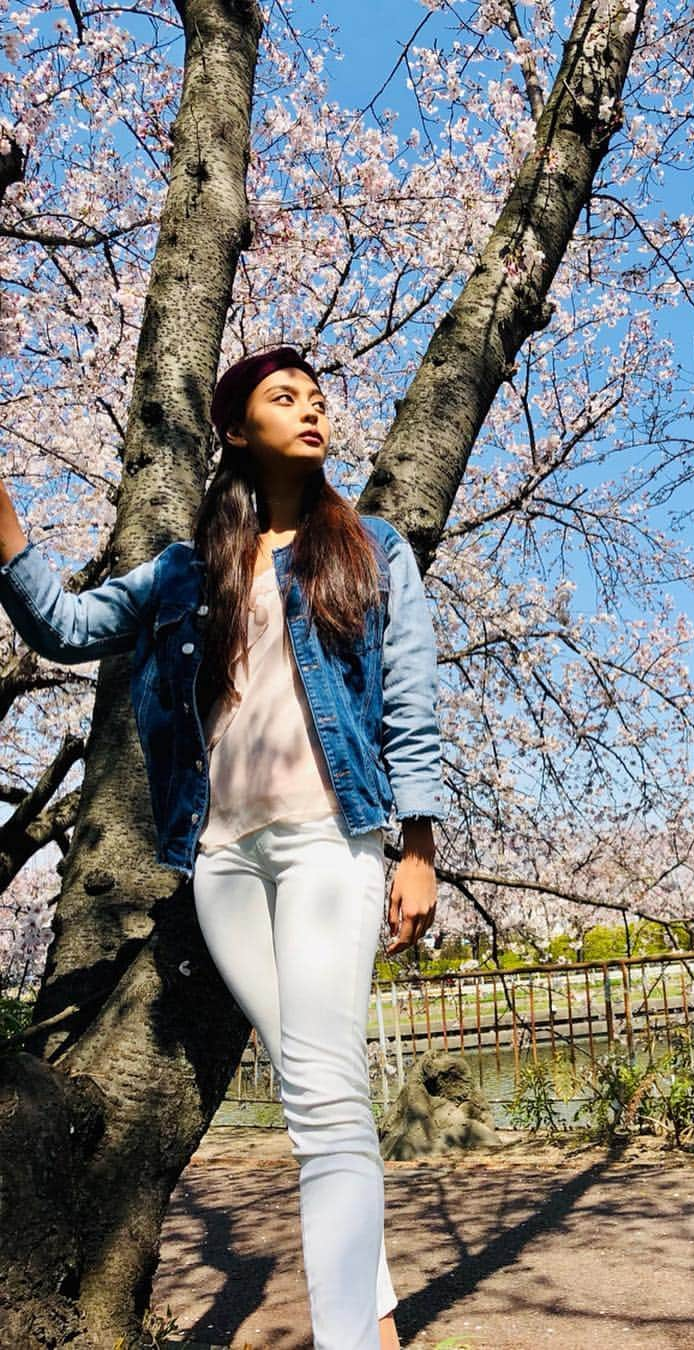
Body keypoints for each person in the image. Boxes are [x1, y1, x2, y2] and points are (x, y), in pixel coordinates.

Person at [0, 345, 447, 1350]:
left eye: (318, 397)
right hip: (225, 863)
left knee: (327, 1090)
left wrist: (417, 845)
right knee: (312, 1085)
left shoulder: (371, 549)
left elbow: (411, 703)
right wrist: (8, 532)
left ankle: (347, 1340)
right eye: (283, 397)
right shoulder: (182, 573)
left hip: (335, 841)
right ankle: (371, 1318)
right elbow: (66, 628)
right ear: (237, 429)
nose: (311, 409)